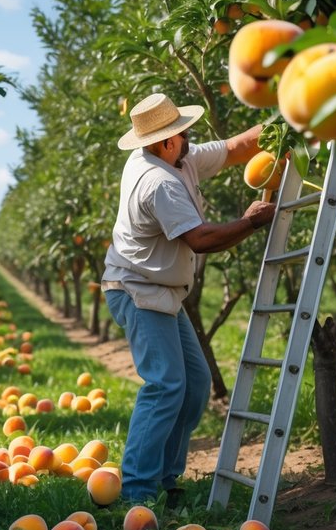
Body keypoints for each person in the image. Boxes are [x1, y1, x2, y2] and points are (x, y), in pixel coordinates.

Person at [102, 92, 276, 505]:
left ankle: (166, 478)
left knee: (195, 383)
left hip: (161, 290)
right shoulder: (158, 183)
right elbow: (199, 240)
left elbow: (236, 148)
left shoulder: (175, 159)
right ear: (165, 142)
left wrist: (285, 128)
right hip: (139, 291)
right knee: (165, 384)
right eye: (181, 134)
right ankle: (138, 492)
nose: (188, 138)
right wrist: (250, 223)